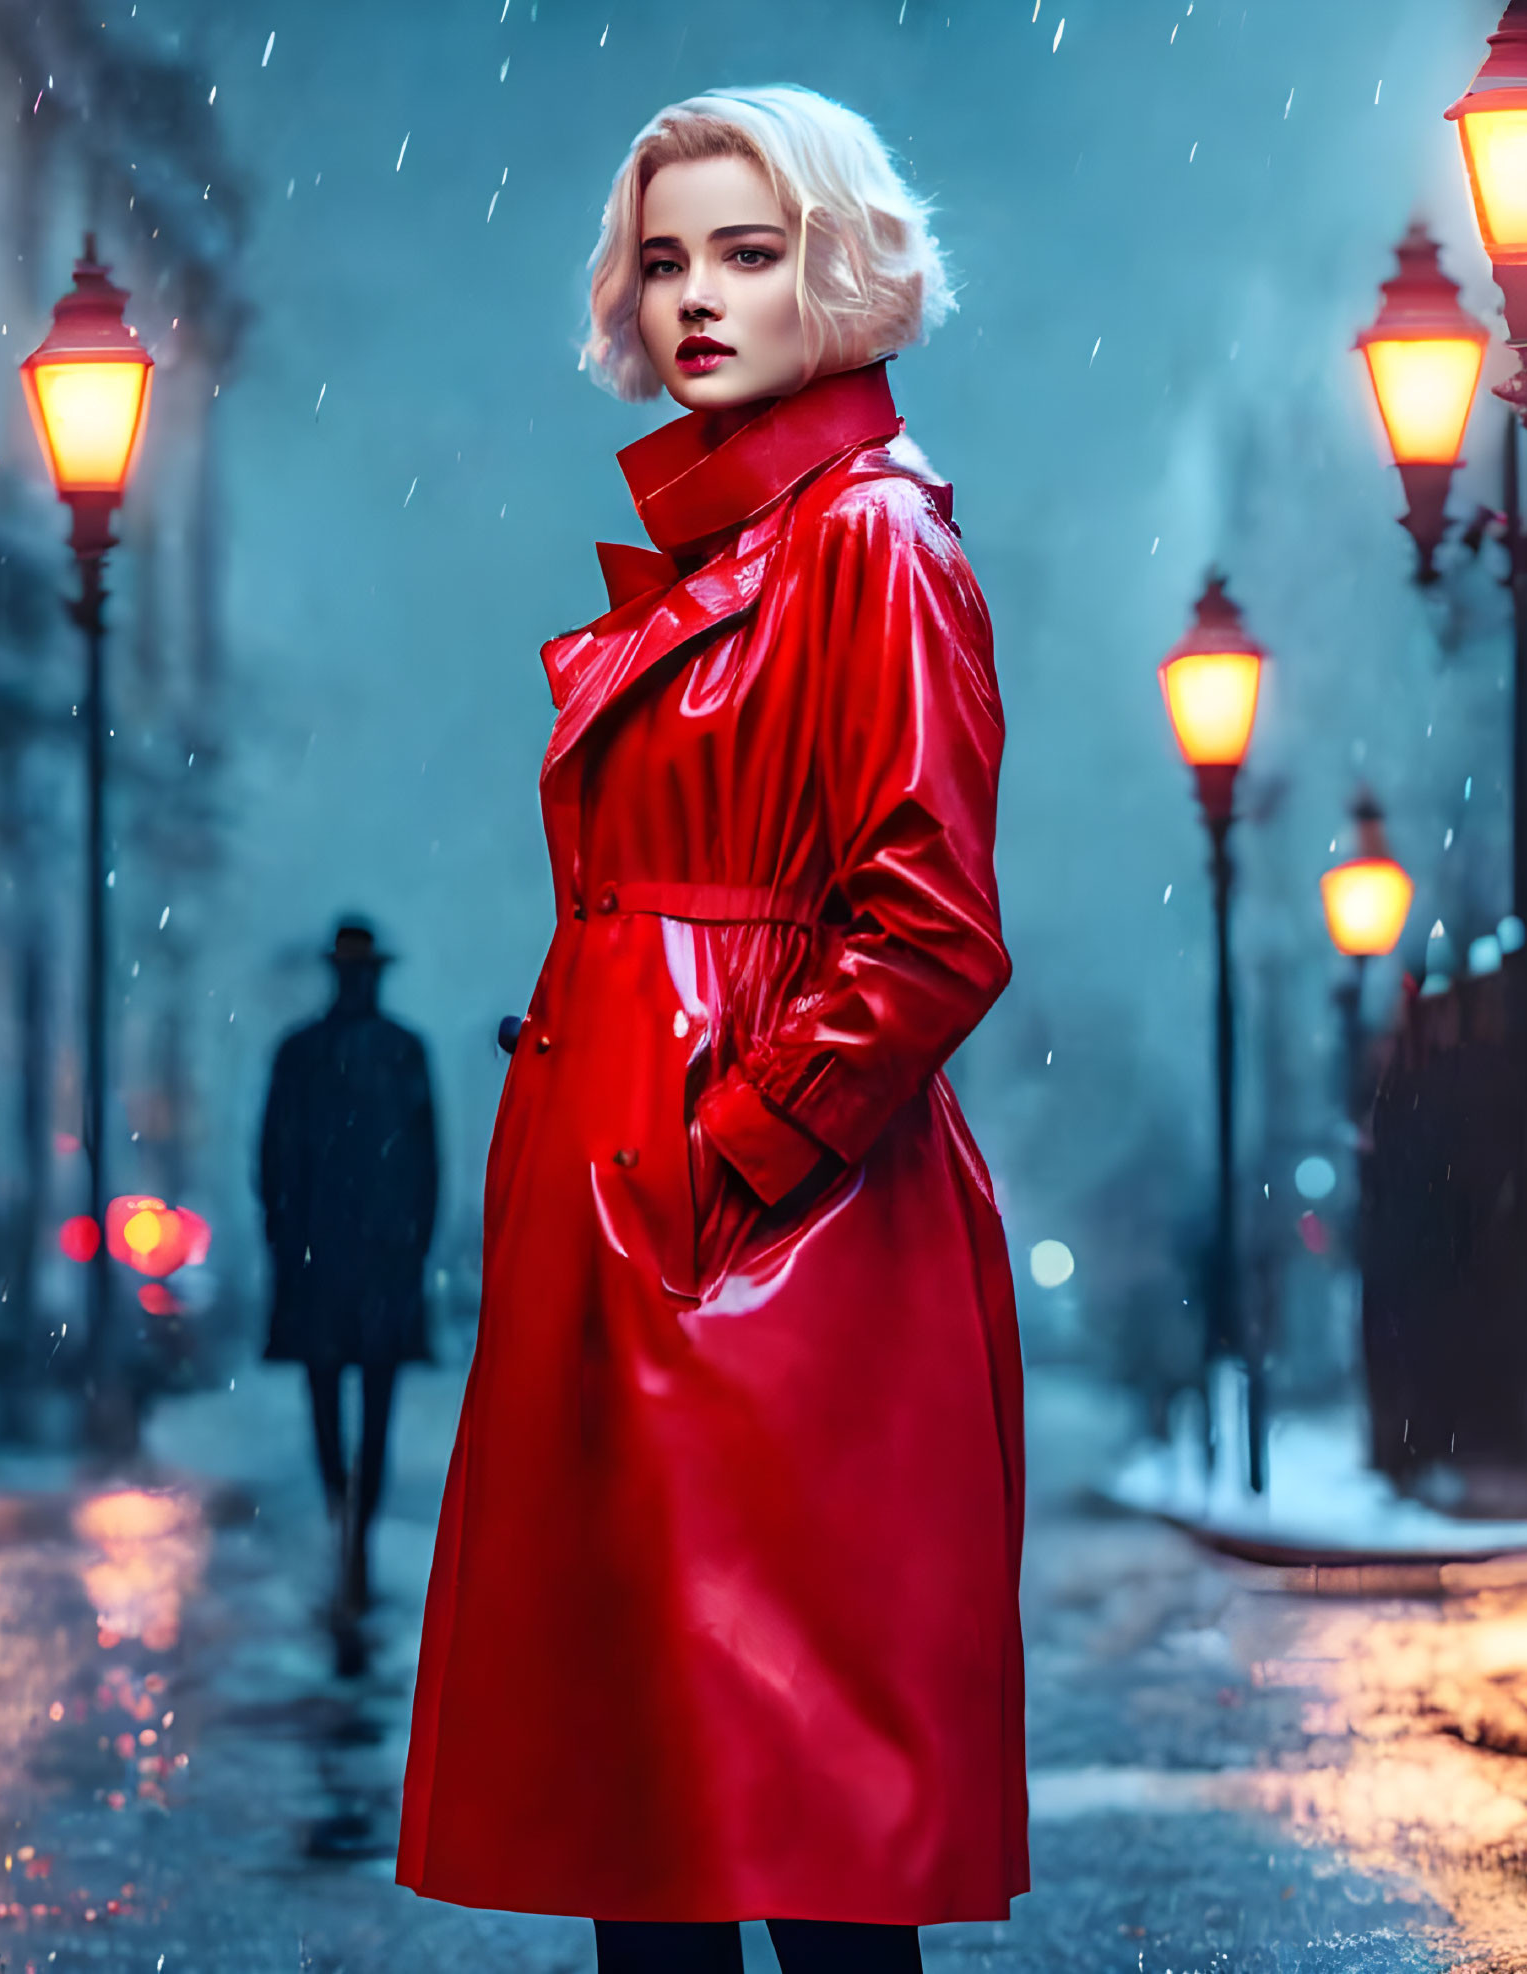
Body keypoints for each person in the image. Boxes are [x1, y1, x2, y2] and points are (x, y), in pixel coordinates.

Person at [396, 88, 1025, 1974]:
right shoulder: (732, 544)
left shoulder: (873, 541)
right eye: (664, 259)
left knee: (809, 1817)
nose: (695, 298)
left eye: (746, 253)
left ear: (837, 268)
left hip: (773, 1236)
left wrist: (731, 1155)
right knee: (649, 1812)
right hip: (643, 1217)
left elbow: (926, 923)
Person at [258, 918, 438, 1614]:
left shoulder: (301, 1053)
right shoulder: (402, 1052)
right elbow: (427, 1169)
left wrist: (287, 1241)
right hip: (375, 1262)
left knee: (330, 1400)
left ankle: (345, 1518)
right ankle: (352, 1524)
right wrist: (410, 1248)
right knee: (369, 1405)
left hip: (324, 1260)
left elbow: (273, 1165)